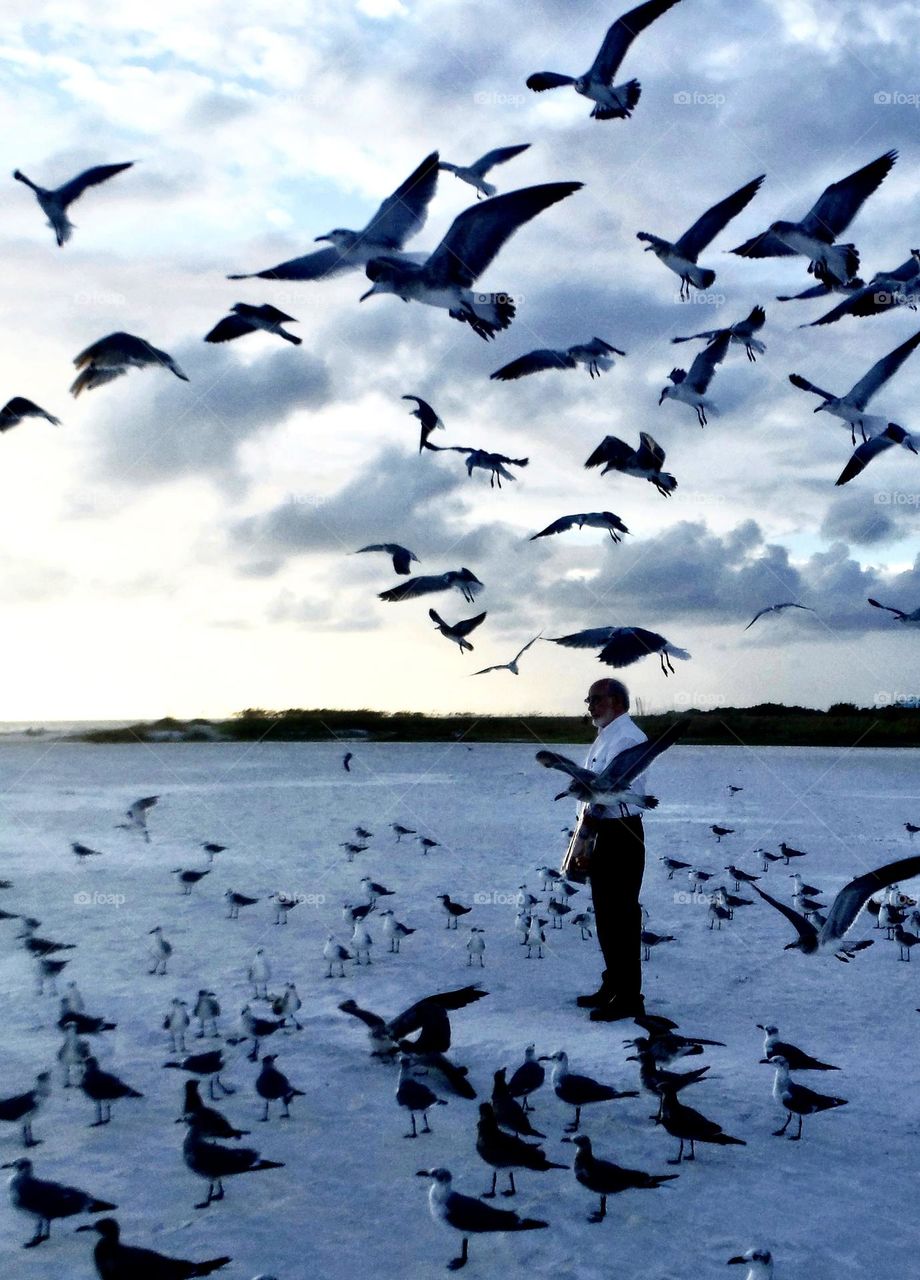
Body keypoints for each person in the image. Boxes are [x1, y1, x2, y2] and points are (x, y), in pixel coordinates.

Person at [570, 677, 648, 1023]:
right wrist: (583, 837)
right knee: (605, 916)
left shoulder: (628, 737)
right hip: (600, 830)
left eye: (595, 700)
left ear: (616, 701)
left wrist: (588, 834)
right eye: (588, 700)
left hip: (620, 832)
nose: (589, 706)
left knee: (621, 917)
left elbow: (608, 793)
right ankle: (613, 985)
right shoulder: (607, 735)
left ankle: (629, 997)